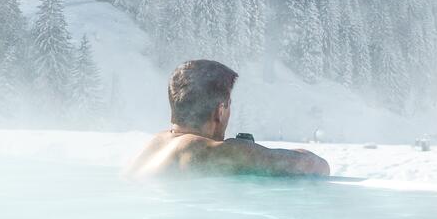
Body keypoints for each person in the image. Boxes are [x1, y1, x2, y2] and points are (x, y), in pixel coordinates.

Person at [128, 59, 331, 178]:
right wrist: (246, 150)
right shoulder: (208, 151)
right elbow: (318, 166)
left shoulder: (154, 145)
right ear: (220, 111)